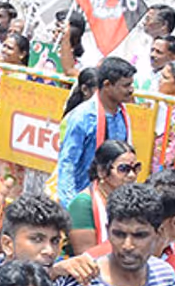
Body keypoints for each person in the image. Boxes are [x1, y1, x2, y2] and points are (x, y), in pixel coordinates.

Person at [52, 184, 175, 286]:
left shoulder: (165, 276)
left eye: (139, 235)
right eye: (119, 234)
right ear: (108, 230)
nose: (127, 246)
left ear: (158, 233)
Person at [57, 56, 135, 207]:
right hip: (83, 197)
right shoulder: (82, 117)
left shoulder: (123, 115)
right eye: (126, 85)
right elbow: (68, 163)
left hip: (112, 200)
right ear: (107, 85)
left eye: (131, 85)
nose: (131, 90)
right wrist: (71, 205)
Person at [68, 140, 140, 254]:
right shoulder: (83, 204)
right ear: (101, 171)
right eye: (123, 169)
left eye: (136, 168)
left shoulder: (132, 199)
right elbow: (86, 256)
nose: (132, 175)